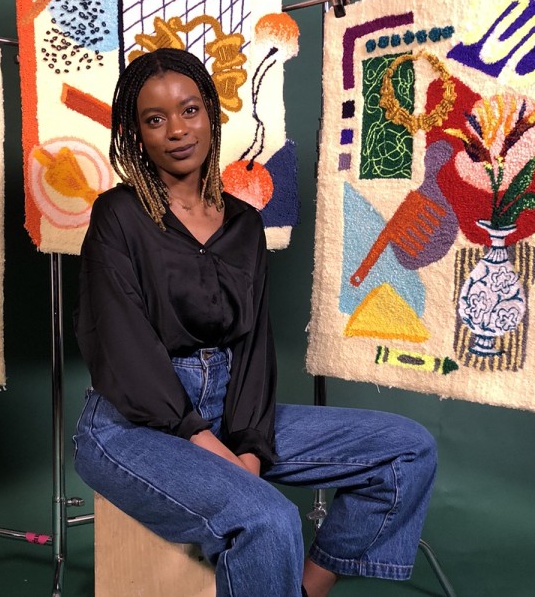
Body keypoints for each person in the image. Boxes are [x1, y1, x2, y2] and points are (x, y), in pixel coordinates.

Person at [73, 48, 437, 597]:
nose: (176, 130)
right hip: (133, 424)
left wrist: (248, 444)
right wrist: (210, 445)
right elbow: (123, 350)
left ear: (211, 116)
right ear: (136, 134)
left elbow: (252, 347)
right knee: (267, 517)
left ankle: (306, 591)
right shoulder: (119, 214)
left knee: (407, 449)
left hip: (231, 407)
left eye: (190, 110)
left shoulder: (243, 223)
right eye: (155, 119)